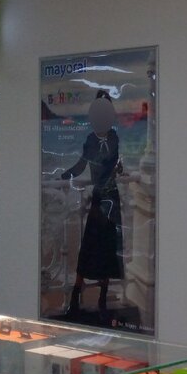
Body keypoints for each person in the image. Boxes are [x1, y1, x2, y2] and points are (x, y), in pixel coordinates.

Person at [61, 91, 125, 319]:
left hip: (109, 198)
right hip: (102, 198)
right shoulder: (94, 139)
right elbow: (83, 165)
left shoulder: (113, 138)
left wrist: (117, 169)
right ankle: (77, 297)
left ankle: (99, 298)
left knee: (106, 249)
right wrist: (65, 175)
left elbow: (104, 165)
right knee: (91, 249)